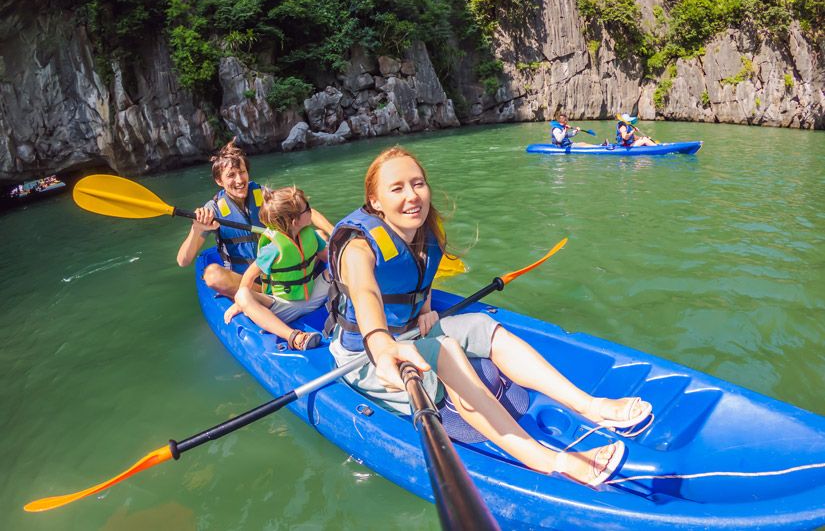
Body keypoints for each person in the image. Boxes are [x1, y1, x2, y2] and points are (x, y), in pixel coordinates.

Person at [325, 146, 652, 487]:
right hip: (367, 357)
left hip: (410, 332)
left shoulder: (424, 231)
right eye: (397, 188)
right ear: (375, 201)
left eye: (418, 183)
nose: (412, 196)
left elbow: (421, 276)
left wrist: (425, 309)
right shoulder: (358, 247)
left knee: (482, 326)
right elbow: (365, 291)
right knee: (446, 349)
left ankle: (589, 406)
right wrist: (381, 346)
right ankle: (551, 461)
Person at [176, 139, 333, 298]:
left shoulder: (264, 195)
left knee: (319, 235)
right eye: (231, 175)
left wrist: (334, 233)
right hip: (249, 281)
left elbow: (306, 212)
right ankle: (259, 296)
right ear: (219, 181)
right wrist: (197, 229)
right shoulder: (213, 210)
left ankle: (286, 287)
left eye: (242, 172)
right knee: (213, 275)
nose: (239, 180)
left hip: (280, 272)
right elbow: (183, 261)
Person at [222, 186, 327, 350]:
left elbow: (330, 259)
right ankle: (294, 337)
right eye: (307, 208)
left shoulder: (311, 235)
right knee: (242, 295)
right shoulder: (273, 249)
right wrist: (239, 304)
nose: (311, 210)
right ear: (295, 221)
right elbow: (249, 275)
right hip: (283, 306)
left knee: (342, 267)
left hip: (313, 294)